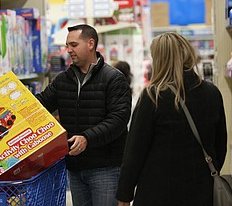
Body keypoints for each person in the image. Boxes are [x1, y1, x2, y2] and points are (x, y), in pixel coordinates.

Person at [116, 32, 227, 206]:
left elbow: (135, 151)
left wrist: (125, 193)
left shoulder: (153, 96)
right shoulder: (212, 93)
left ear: (159, 60)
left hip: (158, 191)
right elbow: (220, 145)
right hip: (202, 189)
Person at [36, 24, 132, 206]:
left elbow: (118, 120)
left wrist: (87, 138)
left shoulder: (113, 79)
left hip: (105, 168)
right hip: (75, 167)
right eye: (67, 45)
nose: (69, 50)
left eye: (73, 44)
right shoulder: (63, 80)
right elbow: (39, 105)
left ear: (90, 44)